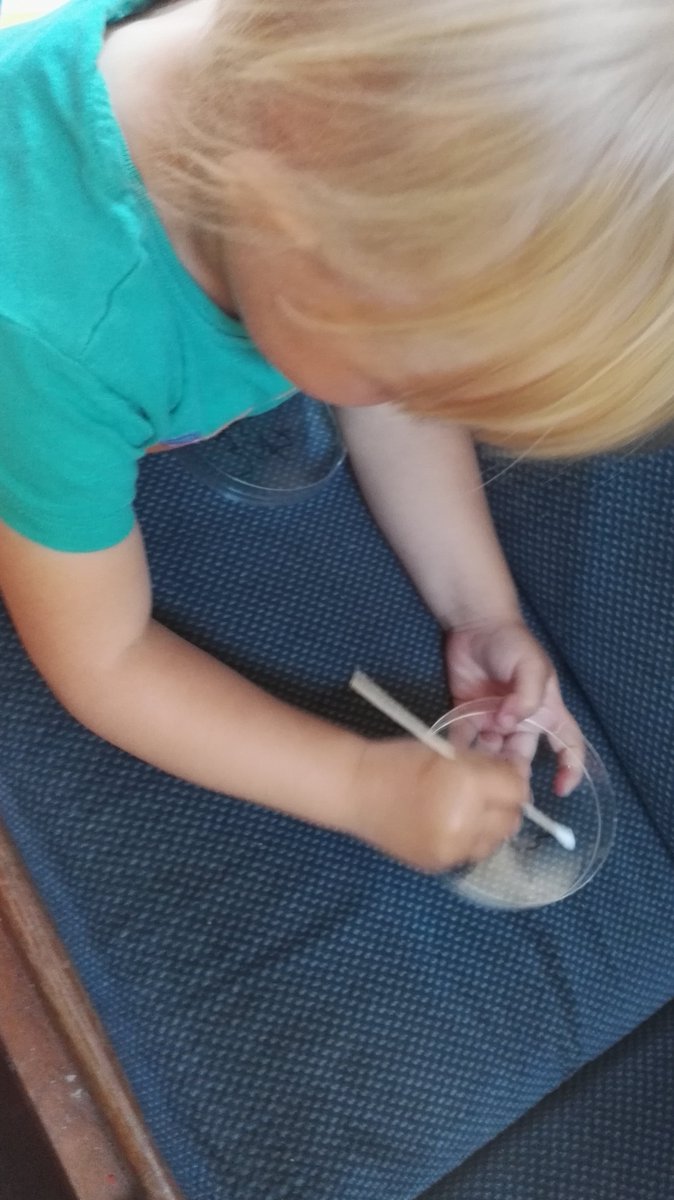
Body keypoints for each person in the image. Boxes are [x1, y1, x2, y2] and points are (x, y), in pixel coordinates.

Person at [1, 0, 671, 873]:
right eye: (409, 378)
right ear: (285, 227)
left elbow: (383, 392)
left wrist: (480, 609)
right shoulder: (56, 341)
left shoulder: (308, 125)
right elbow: (105, 660)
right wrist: (357, 784)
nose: (420, 410)